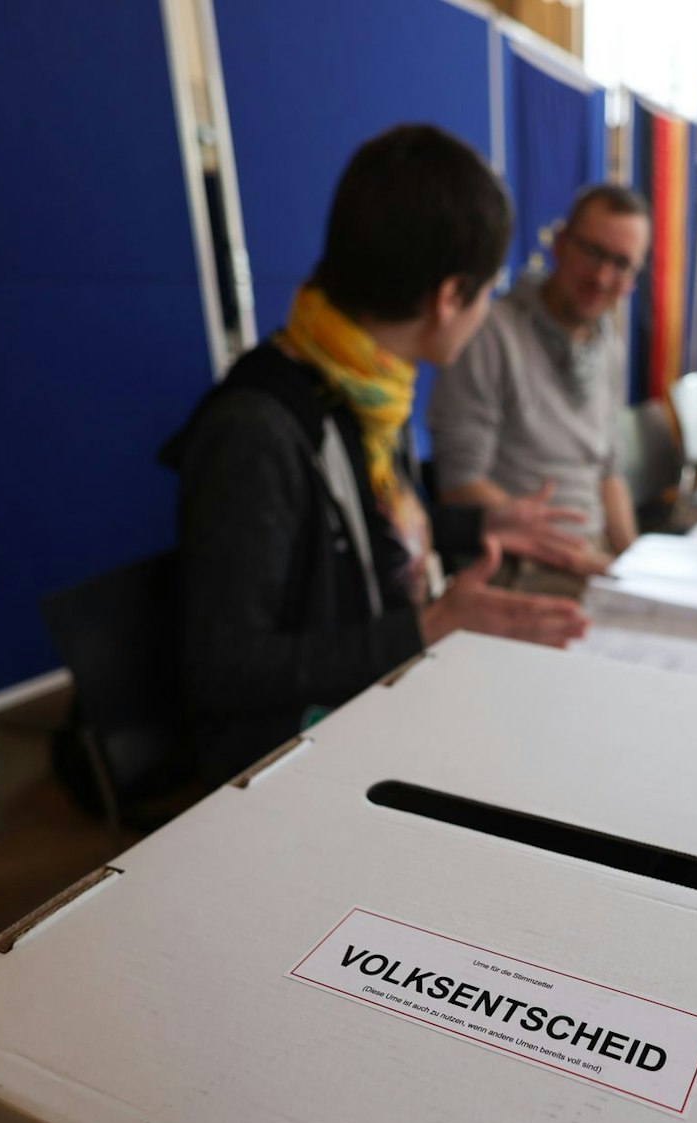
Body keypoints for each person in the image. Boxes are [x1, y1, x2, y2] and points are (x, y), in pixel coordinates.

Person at [159, 125, 594, 784]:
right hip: (292, 767)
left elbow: (371, 530)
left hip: (381, 706)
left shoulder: (367, 382)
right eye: (487, 290)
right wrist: (430, 625)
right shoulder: (257, 431)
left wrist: (481, 526)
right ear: (448, 297)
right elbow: (224, 667)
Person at [428, 184, 651, 594]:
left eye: (621, 264)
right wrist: (574, 555)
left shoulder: (610, 346)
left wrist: (631, 567)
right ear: (560, 244)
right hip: (518, 563)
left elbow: (608, 475)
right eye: (593, 253)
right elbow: (461, 484)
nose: (602, 277)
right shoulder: (490, 333)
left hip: (589, 556)